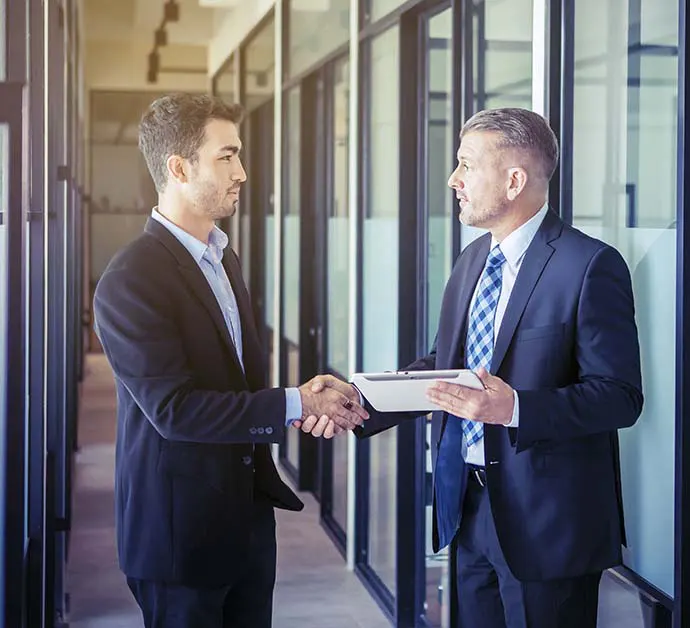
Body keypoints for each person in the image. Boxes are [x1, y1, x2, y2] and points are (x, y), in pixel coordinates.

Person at [307, 107, 643, 628]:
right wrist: (361, 398)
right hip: (467, 510)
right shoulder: (472, 261)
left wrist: (514, 408)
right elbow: (444, 366)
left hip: (548, 526)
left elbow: (619, 395)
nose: (453, 180)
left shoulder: (590, 266)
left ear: (514, 180)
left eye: (466, 164)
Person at [92, 93, 368, 628]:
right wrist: (294, 402)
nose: (242, 172)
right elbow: (174, 410)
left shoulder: (222, 258)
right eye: (227, 156)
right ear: (178, 168)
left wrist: (299, 398)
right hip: (180, 538)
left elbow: (233, 384)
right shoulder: (131, 279)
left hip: (244, 521)